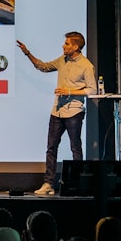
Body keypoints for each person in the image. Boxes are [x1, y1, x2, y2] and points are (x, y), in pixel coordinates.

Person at [17, 31, 98, 196]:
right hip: (57, 111)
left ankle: (76, 183)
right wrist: (27, 53)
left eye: (67, 43)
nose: (63, 46)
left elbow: (92, 90)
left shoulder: (86, 66)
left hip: (74, 111)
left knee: (75, 148)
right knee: (51, 148)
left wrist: (69, 91)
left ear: (75, 46)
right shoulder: (62, 60)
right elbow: (43, 67)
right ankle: (48, 184)